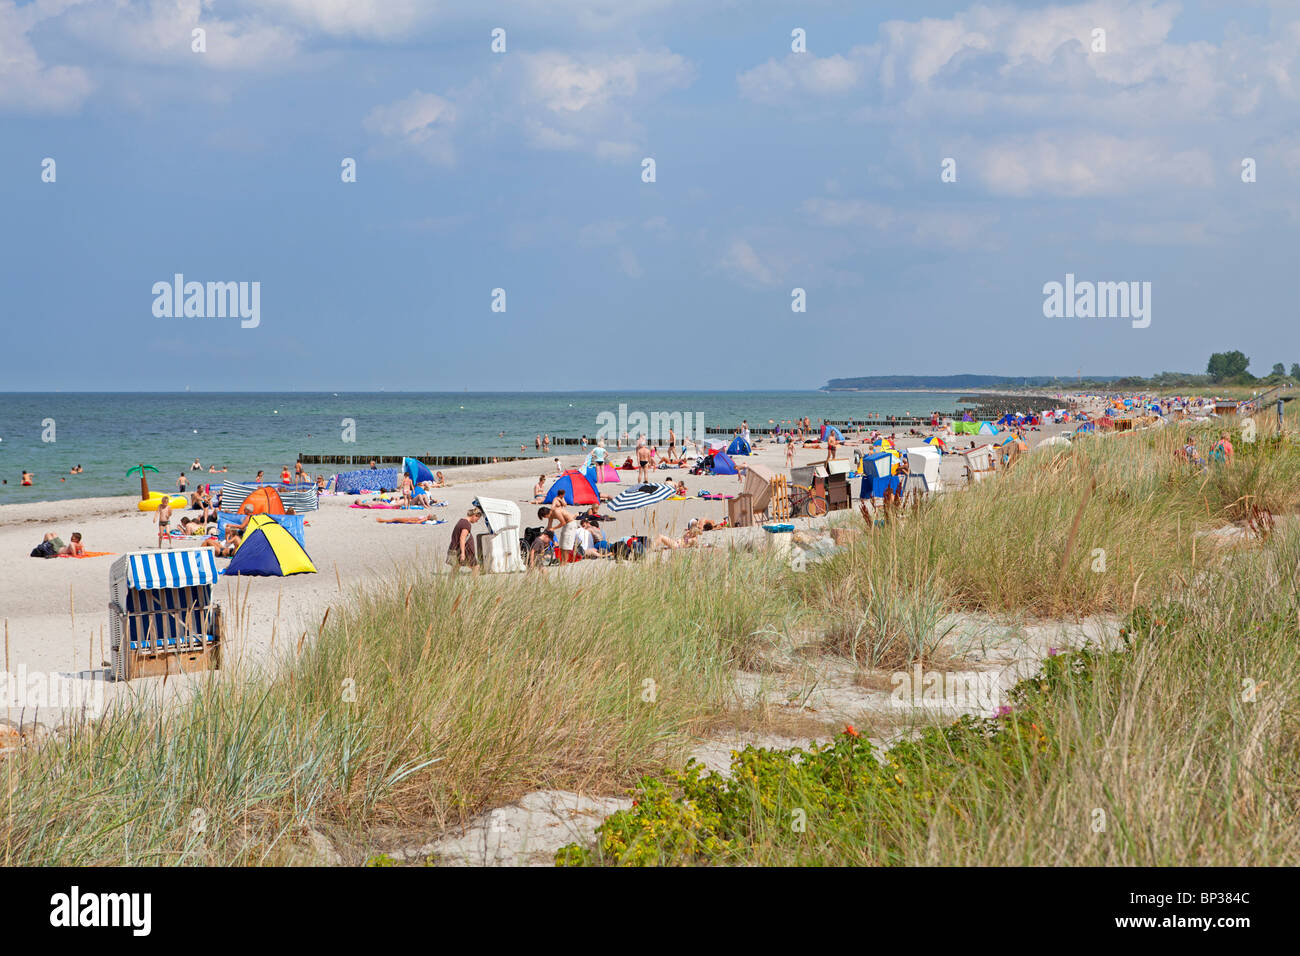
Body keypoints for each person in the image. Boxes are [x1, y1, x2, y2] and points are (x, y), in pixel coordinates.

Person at [446, 506, 482, 571]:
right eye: (477, 519)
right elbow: (462, 539)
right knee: (475, 567)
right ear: (474, 515)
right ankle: (475, 581)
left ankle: (450, 581)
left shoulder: (461, 521)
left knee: (456, 567)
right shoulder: (466, 524)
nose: (476, 522)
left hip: (457, 549)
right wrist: (463, 553)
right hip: (465, 550)